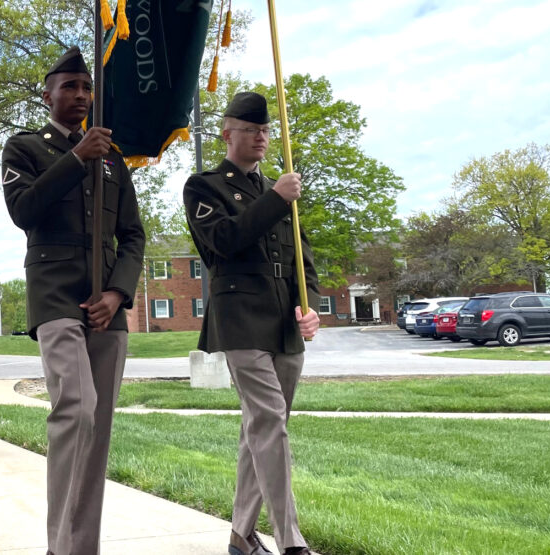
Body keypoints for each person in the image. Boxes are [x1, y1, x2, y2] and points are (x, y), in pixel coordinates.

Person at [0, 46, 145, 554]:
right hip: (56, 296)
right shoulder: (24, 148)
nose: (81, 95)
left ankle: (83, 547)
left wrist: (118, 292)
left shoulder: (114, 156)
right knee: (77, 410)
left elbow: (133, 235)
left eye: (86, 87)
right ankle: (60, 546)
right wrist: (77, 157)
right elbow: (24, 210)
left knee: (98, 432)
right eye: (69, 87)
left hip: (106, 304)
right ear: (48, 95)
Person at [182, 91, 321, 555]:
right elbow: (223, 242)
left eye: (265, 130)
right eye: (251, 130)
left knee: (258, 430)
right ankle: (291, 539)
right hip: (240, 318)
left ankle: (241, 535)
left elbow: (300, 256)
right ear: (227, 133)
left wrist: (310, 304)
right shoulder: (204, 186)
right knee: (270, 421)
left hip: (284, 320)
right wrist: (277, 199)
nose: (261, 137)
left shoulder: (278, 188)